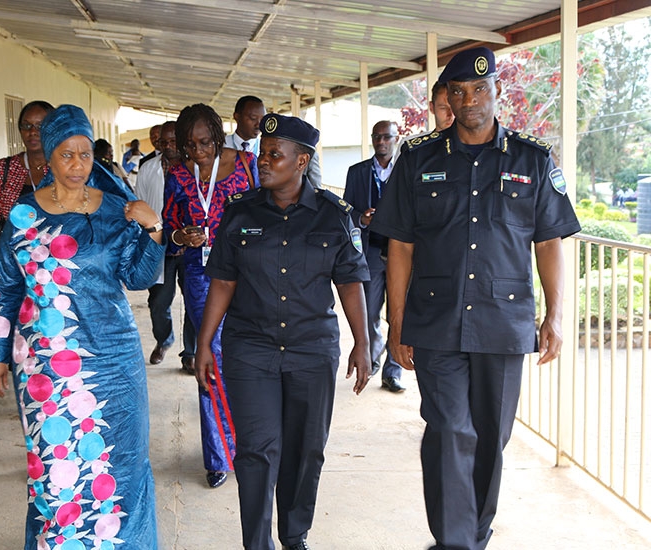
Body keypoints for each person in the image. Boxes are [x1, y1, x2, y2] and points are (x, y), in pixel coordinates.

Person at [374, 47, 581, 550]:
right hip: (436, 321)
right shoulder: (418, 159)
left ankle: (475, 536)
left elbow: (549, 241)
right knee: (449, 429)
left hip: (503, 323)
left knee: (491, 437)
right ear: (446, 98)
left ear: (497, 92)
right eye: (458, 91)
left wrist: (555, 316)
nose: (469, 100)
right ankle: (454, 541)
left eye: (479, 90)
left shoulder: (532, 159)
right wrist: (397, 324)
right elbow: (400, 246)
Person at [0, 104, 163, 550]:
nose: (78, 165)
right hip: (48, 366)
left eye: (85, 154)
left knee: (122, 464)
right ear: (49, 156)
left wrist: (153, 229)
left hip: (115, 361)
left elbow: (137, 277)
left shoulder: (116, 209)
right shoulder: (23, 215)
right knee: (57, 467)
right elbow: (5, 286)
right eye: (67, 154)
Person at [195, 113, 371, 550]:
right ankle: (257, 543)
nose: (263, 161)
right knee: (256, 450)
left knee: (305, 449)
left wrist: (363, 342)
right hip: (250, 348)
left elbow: (350, 283)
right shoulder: (240, 212)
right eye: (263, 153)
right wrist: (204, 343)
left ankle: (294, 536)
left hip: (312, 349)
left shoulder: (334, 215)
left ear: (301, 161)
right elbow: (223, 281)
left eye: (275, 155)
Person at [163, 103, 258, 488]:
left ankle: (252, 444)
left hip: (248, 273)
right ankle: (219, 455)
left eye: (204, 143)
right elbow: (168, 228)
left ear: (218, 137)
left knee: (249, 354)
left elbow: (265, 214)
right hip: (201, 277)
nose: (198, 152)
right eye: (190, 145)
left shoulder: (247, 165)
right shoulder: (177, 175)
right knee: (211, 354)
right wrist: (181, 235)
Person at [0, 100, 55, 318]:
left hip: (55, 268)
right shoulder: (5, 168)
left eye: (40, 126)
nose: (32, 132)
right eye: (26, 126)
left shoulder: (64, 168)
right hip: (13, 268)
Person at [343, 121, 405, 393]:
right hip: (370, 252)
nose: (381, 142)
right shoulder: (357, 172)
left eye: (386, 137)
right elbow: (346, 210)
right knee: (368, 313)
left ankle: (393, 372)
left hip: (400, 253)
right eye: (377, 137)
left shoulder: (406, 171)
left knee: (398, 314)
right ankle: (374, 354)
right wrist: (361, 219)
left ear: (396, 139)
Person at [137, 120, 196, 370]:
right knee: (158, 303)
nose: (169, 146)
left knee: (194, 299)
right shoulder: (147, 168)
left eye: (174, 141)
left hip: (191, 246)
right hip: (160, 246)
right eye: (164, 142)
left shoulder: (195, 167)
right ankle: (164, 340)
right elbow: (139, 204)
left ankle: (190, 352)